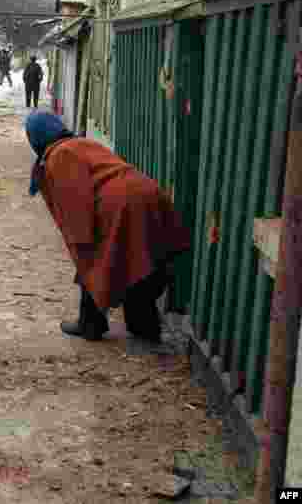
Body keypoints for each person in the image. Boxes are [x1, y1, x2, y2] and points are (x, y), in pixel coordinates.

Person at [25, 112, 191, 342]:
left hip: (122, 205)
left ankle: (90, 324)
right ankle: (143, 325)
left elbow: (78, 213)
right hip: (149, 195)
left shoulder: (60, 155)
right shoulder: (80, 143)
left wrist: (82, 247)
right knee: (143, 259)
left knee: (94, 259)